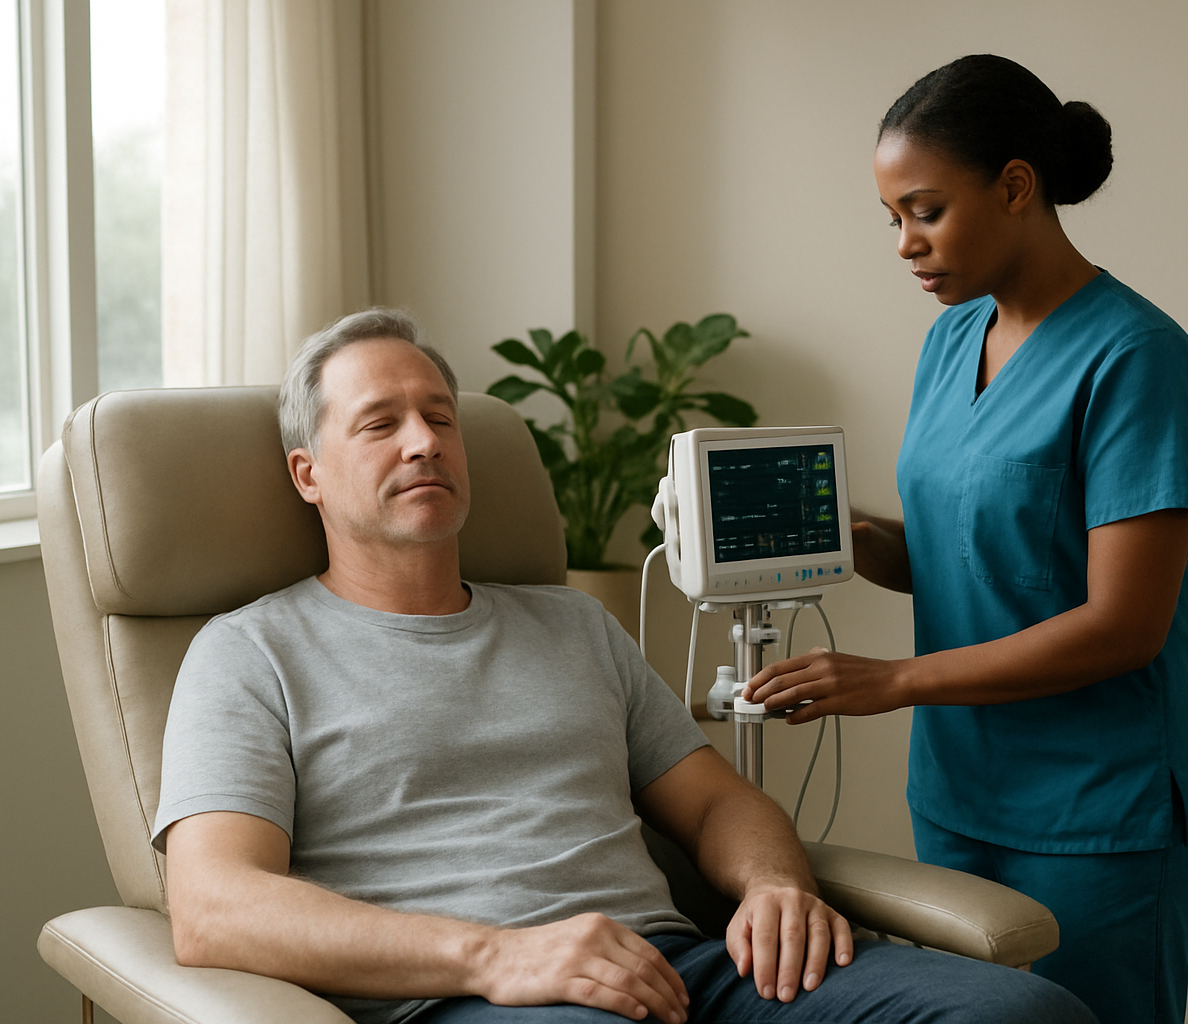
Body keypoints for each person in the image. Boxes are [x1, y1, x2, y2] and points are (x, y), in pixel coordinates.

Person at [154, 308, 1094, 1024]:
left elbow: (720, 802)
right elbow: (214, 908)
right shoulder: (249, 653)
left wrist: (775, 886)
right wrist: (493, 959)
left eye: (439, 416)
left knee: (1022, 1013)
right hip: (487, 999)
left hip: (687, 970)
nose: (424, 440)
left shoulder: (575, 627)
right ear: (307, 473)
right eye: (379, 423)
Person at [745, 55, 1188, 1024]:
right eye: (892, 219)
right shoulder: (952, 339)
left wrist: (891, 680)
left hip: (1099, 807)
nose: (904, 244)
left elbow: (1124, 624)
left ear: (1015, 186)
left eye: (924, 210)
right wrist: (849, 537)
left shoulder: (1137, 357)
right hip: (962, 790)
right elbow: (965, 553)